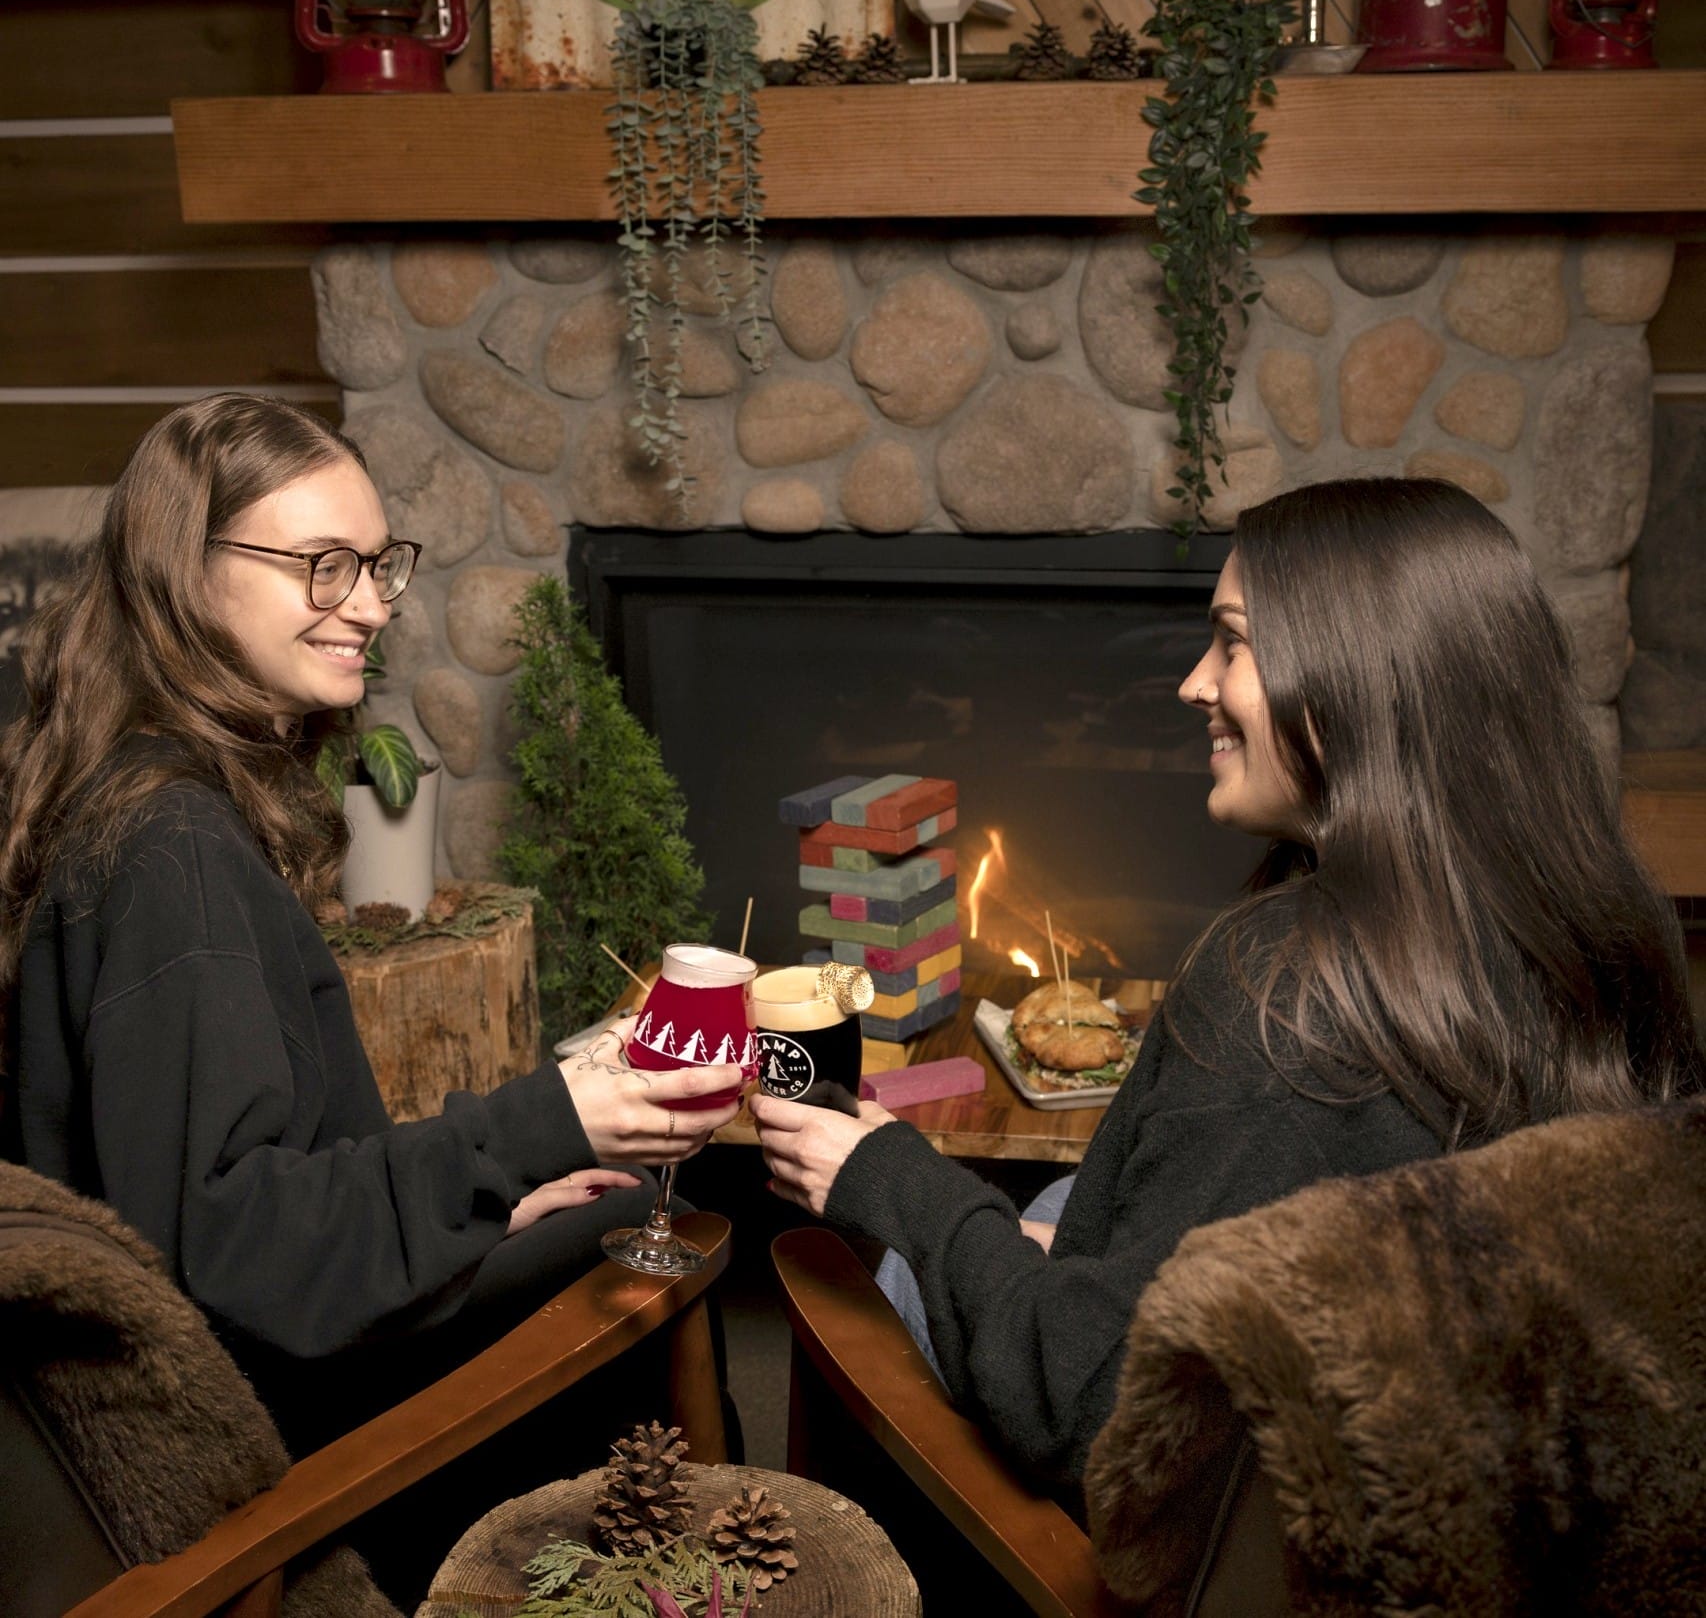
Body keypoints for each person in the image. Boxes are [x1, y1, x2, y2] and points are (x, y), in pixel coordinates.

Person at [753, 477, 1699, 1494]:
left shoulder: (1284, 995)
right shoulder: (1600, 910)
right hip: (1490, 1467)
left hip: (1239, 1526)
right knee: (1067, 1199)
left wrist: (895, 1178)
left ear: (1353, 680)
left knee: (876, 1270)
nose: (1192, 683)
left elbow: (1091, 1408)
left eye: (1232, 642)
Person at [0, 395, 741, 1579]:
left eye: (377, 562)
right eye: (321, 565)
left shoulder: (148, 800)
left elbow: (251, 1180)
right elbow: (235, 1250)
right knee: (651, 1234)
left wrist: (480, 1208)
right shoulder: (170, 855)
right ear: (183, 574)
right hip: (266, 1424)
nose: (371, 602)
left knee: (584, 1208)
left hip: (274, 1333)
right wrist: (545, 1117)